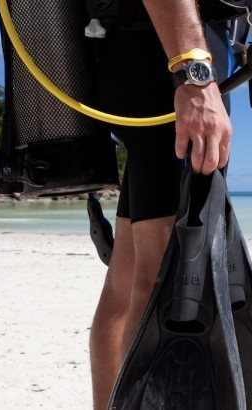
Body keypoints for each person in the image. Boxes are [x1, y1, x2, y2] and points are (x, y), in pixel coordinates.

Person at [87, 1, 232, 408]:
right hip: (167, 62)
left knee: (130, 278)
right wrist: (195, 73)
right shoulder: (186, 70)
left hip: (139, 55)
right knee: (162, 288)